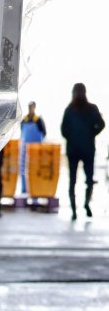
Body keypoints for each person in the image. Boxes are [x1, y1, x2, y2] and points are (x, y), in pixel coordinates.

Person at [61, 83, 105, 220]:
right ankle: (86, 204)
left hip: (74, 150)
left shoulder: (69, 110)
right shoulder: (92, 109)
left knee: (72, 180)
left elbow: (63, 130)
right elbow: (101, 124)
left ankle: (74, 210)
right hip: (87, 149)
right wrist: (92, 133)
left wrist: (72, 137)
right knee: (89, 179)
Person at [20, 101, 46, 194]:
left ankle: (36, 189)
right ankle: (24, 189)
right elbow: (21, 132)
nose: (30, 108)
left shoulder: (38, 120)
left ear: (35, 107)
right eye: (29, 107)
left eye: (32, 107)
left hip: (36, 150)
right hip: (25, 149)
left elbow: (44, 133)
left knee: (36, 169)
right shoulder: (24, 120)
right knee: (23, 168)